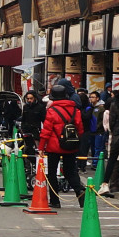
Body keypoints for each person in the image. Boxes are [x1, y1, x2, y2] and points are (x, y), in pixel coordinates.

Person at [37, 78, 85, 207]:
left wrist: (41, 147)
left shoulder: (52, 111)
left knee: (52, 173)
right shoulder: (75, 110)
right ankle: (80, 191)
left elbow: (46, 131)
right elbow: (80, 130)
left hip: (54, 147)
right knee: (71, 171)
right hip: (71, 145)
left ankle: (55, 201)